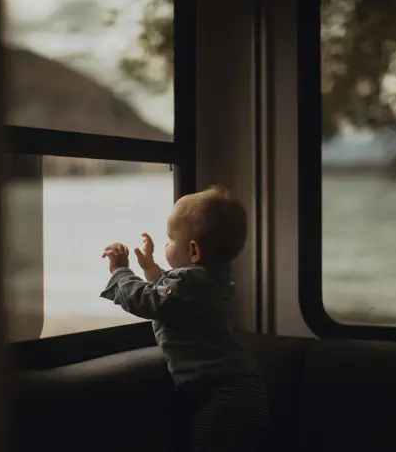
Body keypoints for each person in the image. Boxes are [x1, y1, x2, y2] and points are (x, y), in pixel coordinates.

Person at [100, 185, 270, 452]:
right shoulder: (214, 278)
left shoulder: (189, 283)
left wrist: (122, 271)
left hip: (222, 396)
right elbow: (173, 297)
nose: (166, 244)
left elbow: (151, 301)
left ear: (193, 251)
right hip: (243, 389)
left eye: (170, 240)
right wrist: (151, 268)